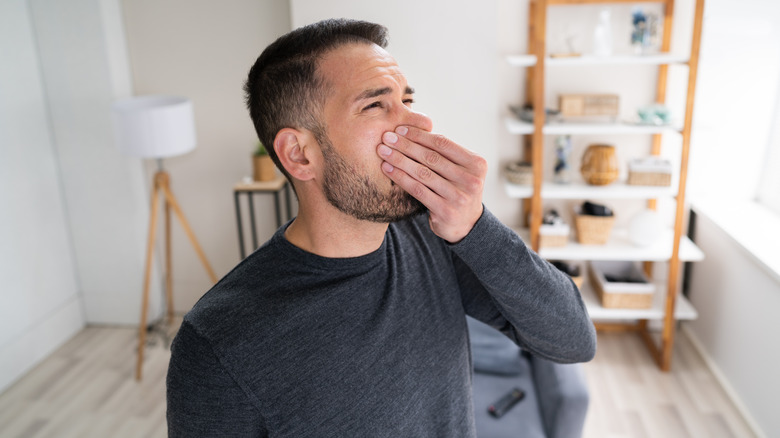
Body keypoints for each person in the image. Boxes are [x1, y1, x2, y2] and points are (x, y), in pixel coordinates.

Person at [166, 18, 596, 437]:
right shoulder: (218, 343)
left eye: (407, 100)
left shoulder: (432, 237)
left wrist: (476, 228)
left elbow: (574, 340)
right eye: (375, 105)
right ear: (299, 154)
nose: (418, 123)